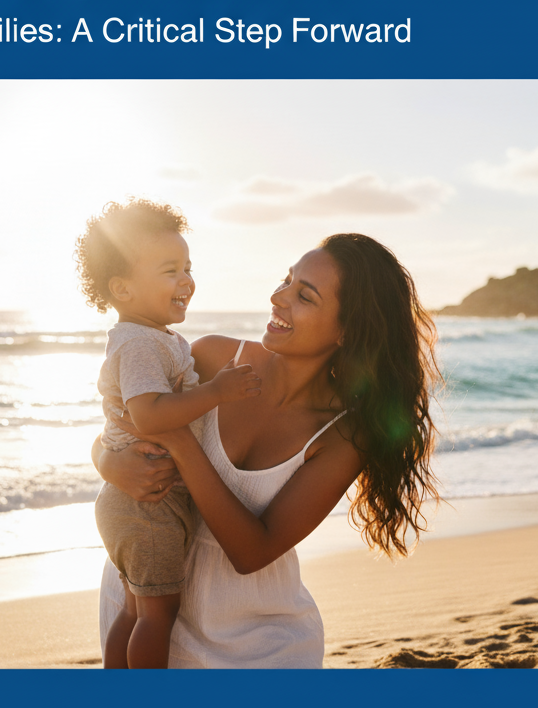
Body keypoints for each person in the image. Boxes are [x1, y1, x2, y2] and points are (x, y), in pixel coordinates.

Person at [92, 232, 440, 668]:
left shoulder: (342, 436)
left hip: (253, 644)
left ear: (348, 330)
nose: (278, 297)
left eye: (304, 295)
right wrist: (108, 462)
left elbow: (252, 553)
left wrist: (181, 444)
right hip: (144, 610)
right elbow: (124, 424)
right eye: (286, 280)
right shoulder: (213, 357)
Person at [76, 199, 262, 668]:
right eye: (169, 271)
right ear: (122, 288)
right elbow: (149, 416)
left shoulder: (155, 338)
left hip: (139, 501)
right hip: (144, 505)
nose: (186, 281)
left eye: (188, 268)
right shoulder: (140, 344)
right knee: (158, 614)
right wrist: (218, 391)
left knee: (139, 609)